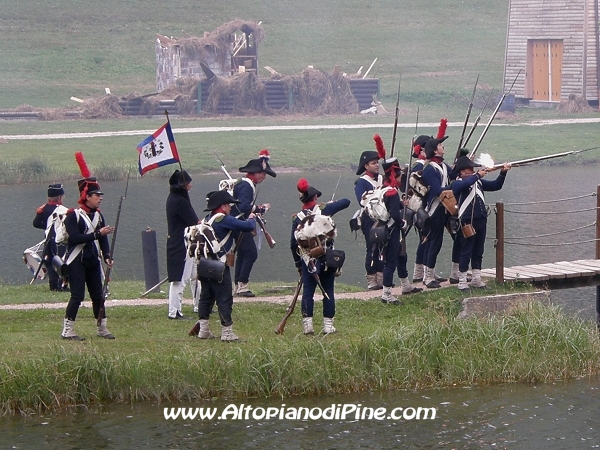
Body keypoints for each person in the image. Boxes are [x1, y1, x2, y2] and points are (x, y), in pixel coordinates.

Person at [290, 178, 350, 335]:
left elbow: (292, 244)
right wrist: (331, 204)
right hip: (327, 257)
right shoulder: (324, 210)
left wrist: (298, 265)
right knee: (328, 290)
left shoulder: (297, 218)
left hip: (307, 260)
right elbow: (346, 202)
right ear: (315, 198)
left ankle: (308, 326)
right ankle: (328, 327)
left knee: (308, 292)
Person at [195, 190, 256, 342]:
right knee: (224, 298)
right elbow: (247, 226)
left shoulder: (206, 220)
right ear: (222, 206)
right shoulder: (223, 219)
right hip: (219, 265)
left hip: (204, 264)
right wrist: (253, 218)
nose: (230, 208)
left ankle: (203, 330)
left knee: (206, 297)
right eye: (228, 205)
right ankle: (227, 333)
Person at [61, 178, 114, 340]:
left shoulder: (98, 216)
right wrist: (97, 234)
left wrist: (106, 256)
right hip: (76, 261)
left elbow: (103, 240)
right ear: (87, 196)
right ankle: (67, 330)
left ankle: (102, 328)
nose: (100, 198)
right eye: (97, 195)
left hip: (92, 261)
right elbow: (75, 238)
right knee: (77, 296)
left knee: (98, 296)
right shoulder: (72, 216)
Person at [451, 156, 511, 291]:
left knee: (478, 250)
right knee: (466, 251)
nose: (473, 170)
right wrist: (477, 175)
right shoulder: (457, 183)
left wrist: (503, 172)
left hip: (481, 219)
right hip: (467, 221)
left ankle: (476, 279)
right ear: (461, 172)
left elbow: (496, 185)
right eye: (469, 169)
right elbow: (464, 185)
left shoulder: (478, 182)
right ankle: (462, 281)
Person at [232, 149, 276, 297]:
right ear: (256, 173)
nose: (264, 177)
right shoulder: (246, 185)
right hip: (239, 223)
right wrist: (261, 208)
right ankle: (242, 286)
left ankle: (238, 285)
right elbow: (244, 207)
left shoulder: (245, 183)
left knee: (243, 253)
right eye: (263, 174)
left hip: (237, 222)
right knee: (251, 253)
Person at [166, 169, 199, 320]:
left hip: (184, 241)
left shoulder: (175, 198)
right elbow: (193, 221)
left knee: (195, 275)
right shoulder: (179, 201)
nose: (191, 185)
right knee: (180, 279)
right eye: (188, 183)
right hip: (182, 243)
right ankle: (174, 312)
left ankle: (199, 304)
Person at [421, 135, 452, 288]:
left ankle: (430, 273)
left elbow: (455, 174)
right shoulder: (429, 169)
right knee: (434, 242)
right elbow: (437, 190)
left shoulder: (443, 166)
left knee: (436, 242)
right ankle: (427, 277)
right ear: (435, 150)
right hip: (434, 209)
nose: (443, 147)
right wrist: (455, 187)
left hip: (443, 208)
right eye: (440, 145)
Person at [353, 149, 384, 290]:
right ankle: (371, 280)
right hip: (369, 219)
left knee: (383, 249)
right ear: (366, 166)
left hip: (383, 217)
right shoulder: (361, 182)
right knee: (372, 248)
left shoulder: (382, 179)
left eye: (377, 162)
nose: (377, 165)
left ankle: (381, 278)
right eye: (373, 163)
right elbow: (362, 200)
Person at [32, 183, 69, 292]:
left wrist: (47, 225)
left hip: (48, 239)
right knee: (62, 261)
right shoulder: (64, 210)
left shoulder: (43, 209)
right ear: (60, 197)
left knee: (50, 262)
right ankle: (62, 285)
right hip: (60, 240)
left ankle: (53, 286)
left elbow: (36, 223)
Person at [409, 135, 431, 283]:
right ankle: (420, 272)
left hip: (425, 206)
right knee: (425, 239)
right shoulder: (419, 166)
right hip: (422, 207)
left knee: (427, 239)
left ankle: (424, 271)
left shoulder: (425, 164)